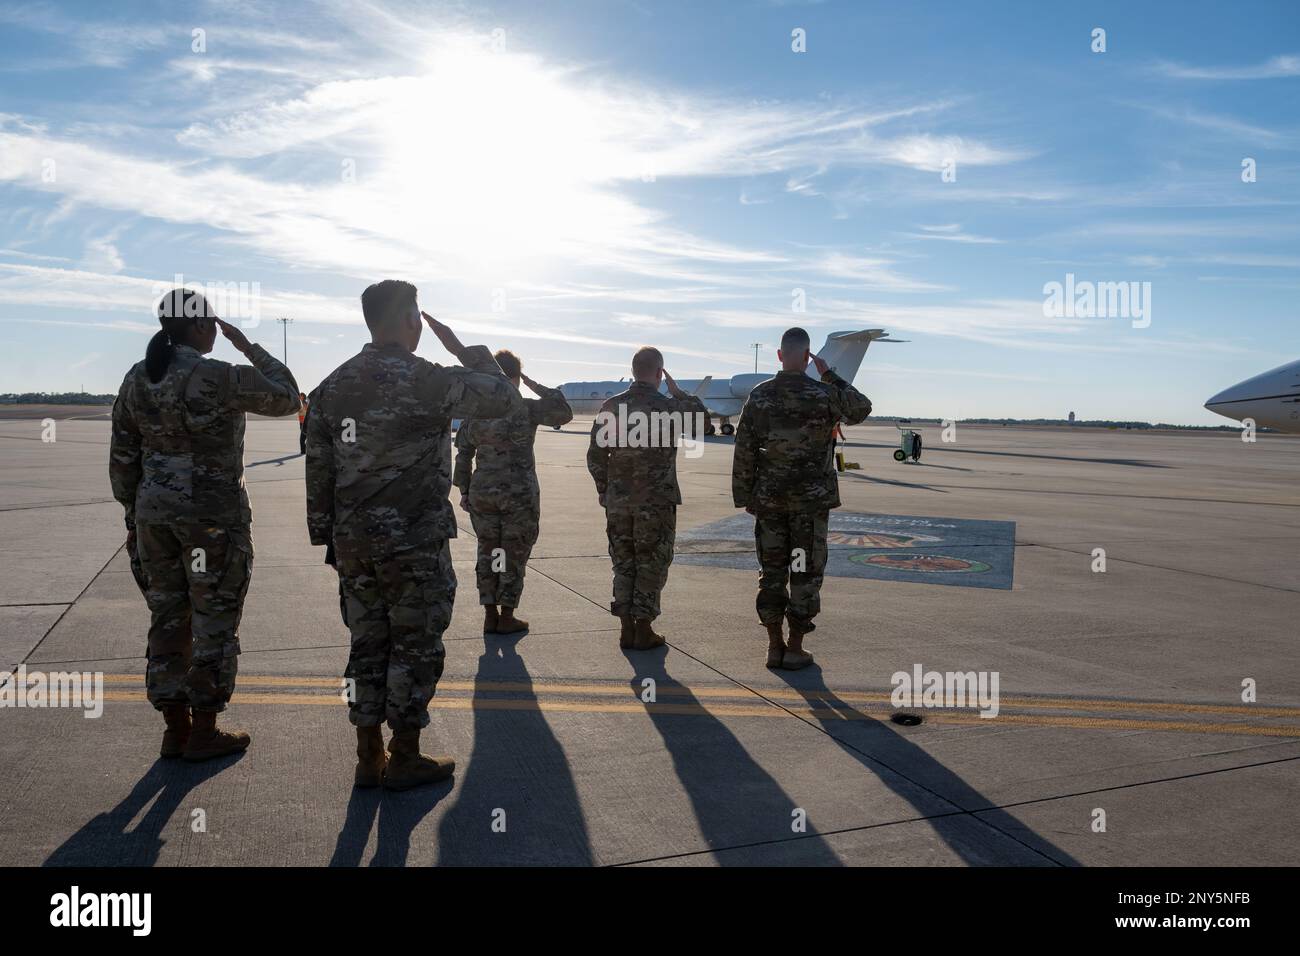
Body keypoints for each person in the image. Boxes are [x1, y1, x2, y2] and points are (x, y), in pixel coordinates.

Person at [304, 280, 521, 791]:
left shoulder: (331, 387)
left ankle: (366, 755)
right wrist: (469, 353)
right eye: (418, 315)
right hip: (414, 541)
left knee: (366, 642)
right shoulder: (426, 379)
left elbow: (319, 472)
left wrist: (328, 537)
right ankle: (404, 756)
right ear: (408, 318)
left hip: (354, 541)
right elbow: (504, 398)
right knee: (415, 644)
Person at [109, 288, 300, 760]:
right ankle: (204, 730)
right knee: (214, 620)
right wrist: (251, 348)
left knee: (168, 617)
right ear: (199, 327)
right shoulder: (218, 376)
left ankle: (174, 728)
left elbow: (122, 457)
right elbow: (287, 397)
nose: (215, 330)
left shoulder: (138, 377)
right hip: (211, 520)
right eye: (212, 323)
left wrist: (134, 516)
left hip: (154, 516)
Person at [731, 326, 872, 670]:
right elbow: (860, 409)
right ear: (807, 356)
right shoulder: (823, 394)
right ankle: (795, 647)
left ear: (780, 355)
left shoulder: (760, 396)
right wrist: (829, 374)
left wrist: (745, 496)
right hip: (810, 505)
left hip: (770, 502)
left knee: (773, 571)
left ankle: (773, 646)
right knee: (805, 572)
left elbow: (745, 450)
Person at [586, 346, 707, 650]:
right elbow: (703, 423)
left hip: (619, 501)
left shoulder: (611, 407)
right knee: (652, 562)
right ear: (659, 374)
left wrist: (604, 489)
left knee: (623, 561)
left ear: (632, 371)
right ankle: (644, 628)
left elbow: (596, 455)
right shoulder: (668, 407)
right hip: (656, 502)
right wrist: (680, 393)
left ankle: (626, 628)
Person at [453, 350, 572, 635]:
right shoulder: (526, 407)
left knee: (489, 551)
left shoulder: (476, 413)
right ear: (516, 378)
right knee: (512, 554)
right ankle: (507, 615)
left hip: (484, 493)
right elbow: (563, 412)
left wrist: (465, 489)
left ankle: (489, 613)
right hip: (518, 494)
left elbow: (463, 453)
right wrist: (534, 385)